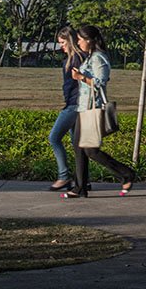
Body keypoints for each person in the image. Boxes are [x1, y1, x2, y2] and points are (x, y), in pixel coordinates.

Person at [61, 24, 136, 199]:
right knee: (79, 148)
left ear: (89, 40)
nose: (77, 42)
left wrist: (81, 77)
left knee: (90, 150)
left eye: (80, 39)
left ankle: (126, 174)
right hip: (83, 108)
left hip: (93, 108)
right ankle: (79, 187)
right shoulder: (90, 57)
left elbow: (101, 82)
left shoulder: (98, 58)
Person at [47, 26, 84, 192]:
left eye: (62, 43)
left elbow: (79, 82)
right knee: (78, 144)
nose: (61, 46)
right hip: (75, 103)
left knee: (54, 137)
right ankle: (82, 180)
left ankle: (64, 177)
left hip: (74, 104)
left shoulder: (76, 59)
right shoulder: (74, 58)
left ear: (69, 41)